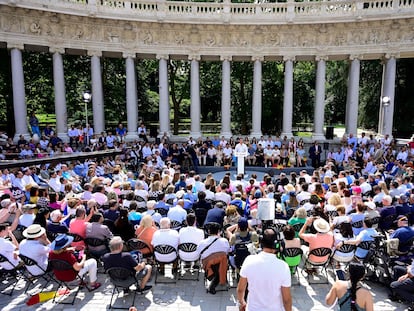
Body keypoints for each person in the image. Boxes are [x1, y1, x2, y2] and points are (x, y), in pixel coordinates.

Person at [236, 228, 292, 311]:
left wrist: (242, 302)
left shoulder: (249, 260)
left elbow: (240, 289)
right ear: (277, 245)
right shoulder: (283, 266)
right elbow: (286, 300)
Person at [197, 222, 229, 295]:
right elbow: (227, 252)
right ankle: (219, 280)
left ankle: (214, 279)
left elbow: (199, 253)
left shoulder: (202, 243)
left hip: (207, 266)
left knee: (219, 261)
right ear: (219, 232)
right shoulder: (224, 241)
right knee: (223, 259)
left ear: (208, 231)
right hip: (220, 265)